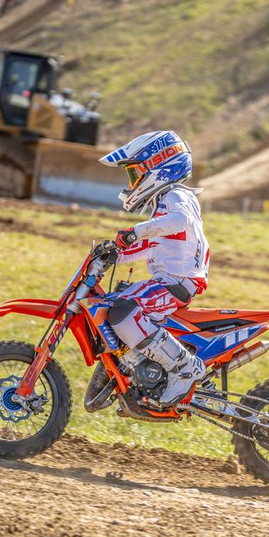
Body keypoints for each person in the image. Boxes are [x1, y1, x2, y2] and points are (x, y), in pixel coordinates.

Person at [99, 131, 209, 407]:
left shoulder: (176, 196)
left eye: (135, 173)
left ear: (159, 166)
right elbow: (150, 246)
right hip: (169, 280)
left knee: (123, 311)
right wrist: (112, 254)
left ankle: (185, 367)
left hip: (175, 282)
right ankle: (133, 366)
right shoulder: (165, 203)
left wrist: (137, 231)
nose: (132, 182)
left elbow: (180, 221)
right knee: (109, 303)